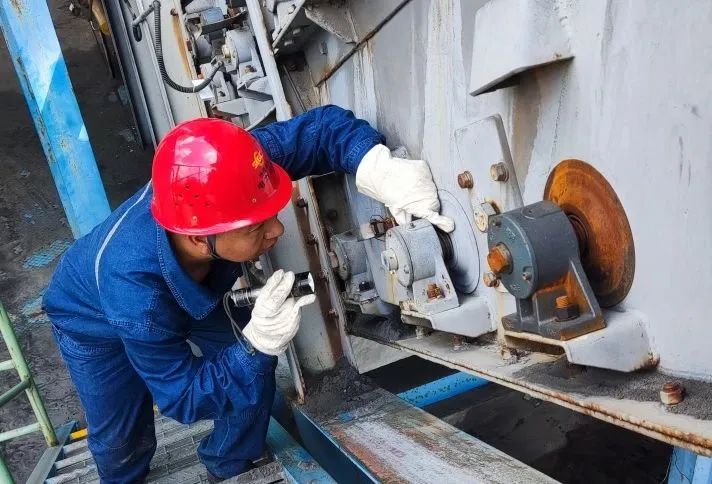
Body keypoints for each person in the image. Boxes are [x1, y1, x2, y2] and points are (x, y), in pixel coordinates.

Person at [43, 105, 454, 482]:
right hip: (89, 319)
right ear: (200, 240)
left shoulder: (232, 174)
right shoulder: (136, 295)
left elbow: (322, 131)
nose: (277, 230)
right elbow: (182, 397)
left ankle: (229, 465)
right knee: (121, 437)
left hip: (187, 287)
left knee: (250, 369)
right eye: (257, 227)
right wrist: (257, 342)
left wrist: (376, 166)